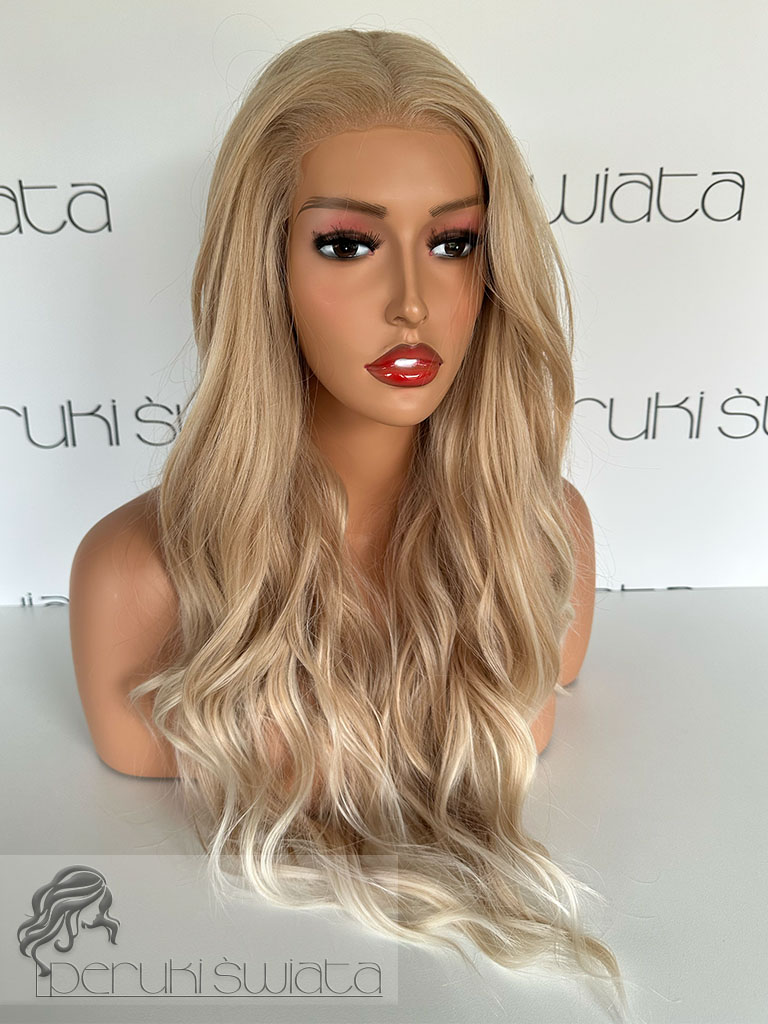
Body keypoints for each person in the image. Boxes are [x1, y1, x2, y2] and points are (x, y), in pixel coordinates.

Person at [69, 26, 624, 1015]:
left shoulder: (543, 547)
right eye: (347, 245)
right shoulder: (136, 580)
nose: (412, 303)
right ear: (267, 267)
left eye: (452, 243)